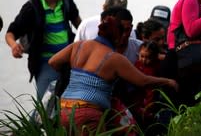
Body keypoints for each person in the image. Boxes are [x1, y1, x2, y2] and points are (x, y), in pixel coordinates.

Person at [48, 16, 178, 135]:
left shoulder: (78, 45)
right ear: (118, 37)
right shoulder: (114, 58)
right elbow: (142, 81)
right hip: (88, 113)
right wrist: (167, 81)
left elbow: (53, 62)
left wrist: (75, 74)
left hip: (65, 109)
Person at [5, 0, 81, 100]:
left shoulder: (66, 1)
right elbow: (11, 33)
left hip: (69, 60)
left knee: (70, 101)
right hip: (46, 63)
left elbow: (79, 25)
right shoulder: (31, 8)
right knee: (45, 104)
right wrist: (14, 46)